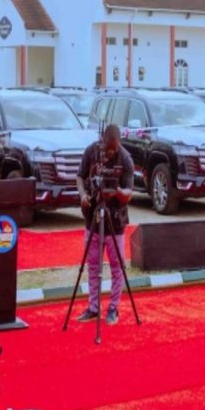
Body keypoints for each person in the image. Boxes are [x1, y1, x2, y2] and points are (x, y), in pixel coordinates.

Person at [75, 124, 134, 326]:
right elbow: (80, 177)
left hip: (115, 221)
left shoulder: (125, 158)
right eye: (108, 147)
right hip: (92, 218)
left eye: (114, 149)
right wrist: (83, 195)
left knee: (117, 267)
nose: (110, 152)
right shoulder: (91, 151)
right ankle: (93, 308)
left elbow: (129, 194)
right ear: (102, 140)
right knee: (93, 265)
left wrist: (116, 191)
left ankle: (113, 308)